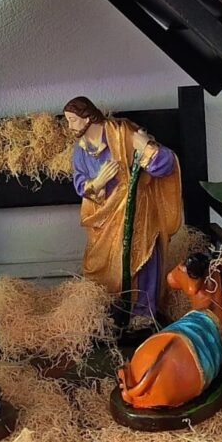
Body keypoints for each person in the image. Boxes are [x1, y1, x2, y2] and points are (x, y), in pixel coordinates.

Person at [63, 97, 183, 329]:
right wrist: (97, 183)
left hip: (137, 212)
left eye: (73, 120)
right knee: (100, 264)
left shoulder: (122, 133)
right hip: (103, 218)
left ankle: (142, 312)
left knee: (142, 258)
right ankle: (110, 309)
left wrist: (146, 148)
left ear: (87, 118)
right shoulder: (81, 151)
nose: (69, 126)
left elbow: (165, 164)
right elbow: (80, 185)